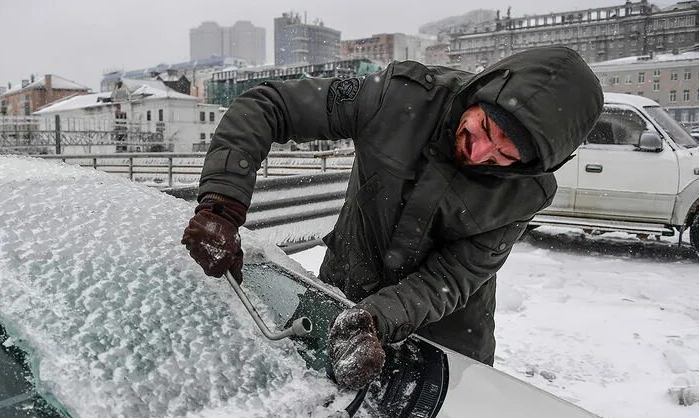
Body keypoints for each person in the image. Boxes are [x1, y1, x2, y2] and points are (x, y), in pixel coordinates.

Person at [181, 46, 603, 389]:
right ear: (482, 94)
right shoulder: (400, 97)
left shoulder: (525, 193)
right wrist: (222, 205)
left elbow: (453, 277)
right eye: (484, 129)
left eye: (504, 154)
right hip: (340, 296)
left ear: (532, 165)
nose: (479, 153)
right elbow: (269, 105)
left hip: (446, 343)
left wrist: (375, 320)